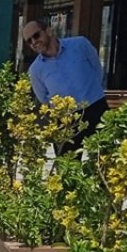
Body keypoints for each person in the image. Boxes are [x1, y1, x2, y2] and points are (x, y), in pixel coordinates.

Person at [22, 19, 108, 155]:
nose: (33, 42)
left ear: (48, 31)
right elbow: (44, 99)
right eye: (29, 41)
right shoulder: (35, 70)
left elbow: (97, 70)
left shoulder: (80, 44)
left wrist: (89, 92)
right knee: (67, 169)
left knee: (105, 160)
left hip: (96, 108)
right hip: (66, 120)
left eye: (36, 35)